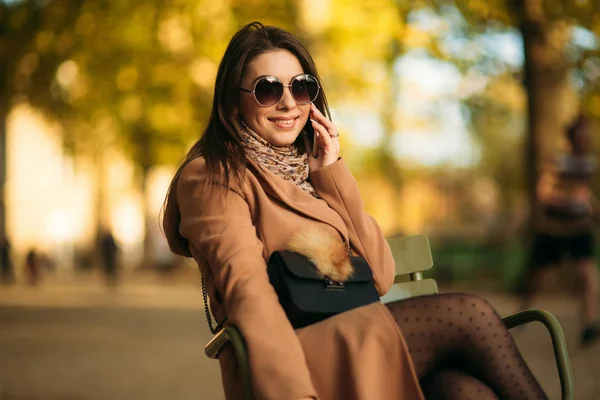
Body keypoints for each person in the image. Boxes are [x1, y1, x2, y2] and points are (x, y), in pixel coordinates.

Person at [163, 22, 548, 400]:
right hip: (294, 356)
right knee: (470, 314)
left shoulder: (308, 170)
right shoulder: (213, 174)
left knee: (463, 391)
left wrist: (330, 174)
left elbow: (379, 278)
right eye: (267, 89)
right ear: (233, 98)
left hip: (352, 338)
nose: (287, 102)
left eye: (301, 87)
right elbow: (247, 290)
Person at [521, 115, 600, 346]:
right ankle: (522, 314)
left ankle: (589, 324)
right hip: (554, 229)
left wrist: (594, 210)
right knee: (536, 276)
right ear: (572, 136)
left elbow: (584, 192)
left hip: (579, 228)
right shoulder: (557, 162)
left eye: (588, 132)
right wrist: (565, 199)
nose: (586, 136)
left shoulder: (589, 163)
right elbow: (543, 193)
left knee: (587, 274)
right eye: (582, 132)